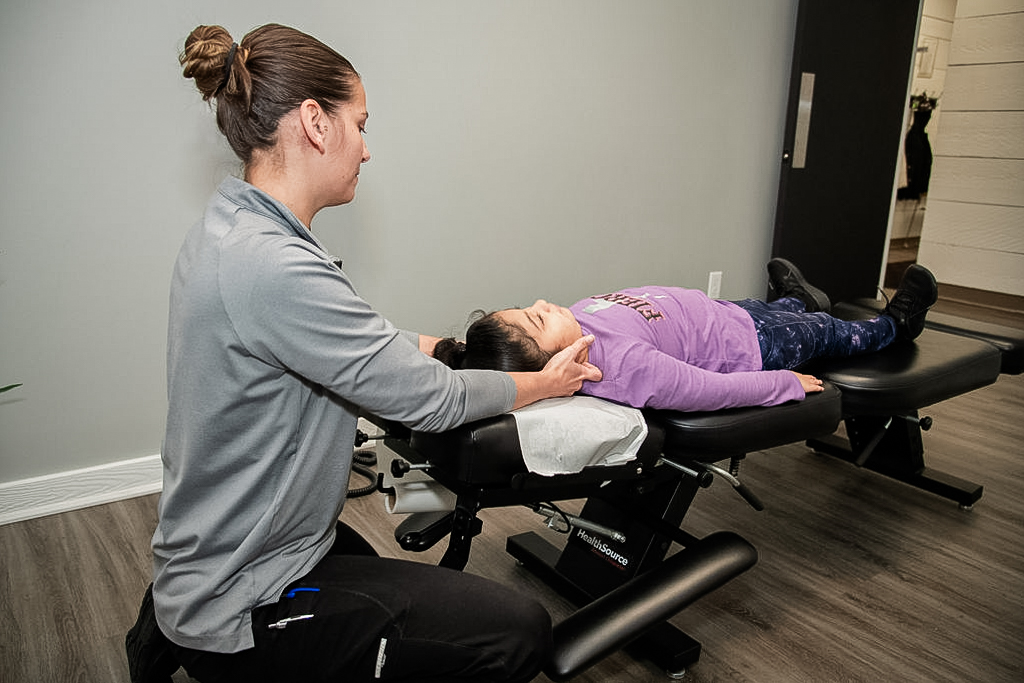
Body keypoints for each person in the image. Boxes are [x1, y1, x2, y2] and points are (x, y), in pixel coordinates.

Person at [126, 23, 601, 683]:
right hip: (241, 601)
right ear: (315, 123)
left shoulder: (233, 229)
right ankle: (204, 644)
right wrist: (542, 385)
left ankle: (173, 625)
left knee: (352, 551)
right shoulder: (273, 266)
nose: (367, 149)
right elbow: (433, 402)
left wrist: (446, 346)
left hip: (223, 551)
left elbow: (352, 337)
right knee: (517, 631)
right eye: (361, 124)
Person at [434, 259, 939, 413]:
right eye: (537, 319)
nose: (542, 304)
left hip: (725, 315)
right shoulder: (623, 367)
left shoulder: (580, 326)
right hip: (756, 347)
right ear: (557, 363)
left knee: (779, 308)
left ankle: (797, 299)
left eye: (528, 307)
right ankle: (897, 323)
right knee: (831, 333)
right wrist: (783, 383)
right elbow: (708, 391)